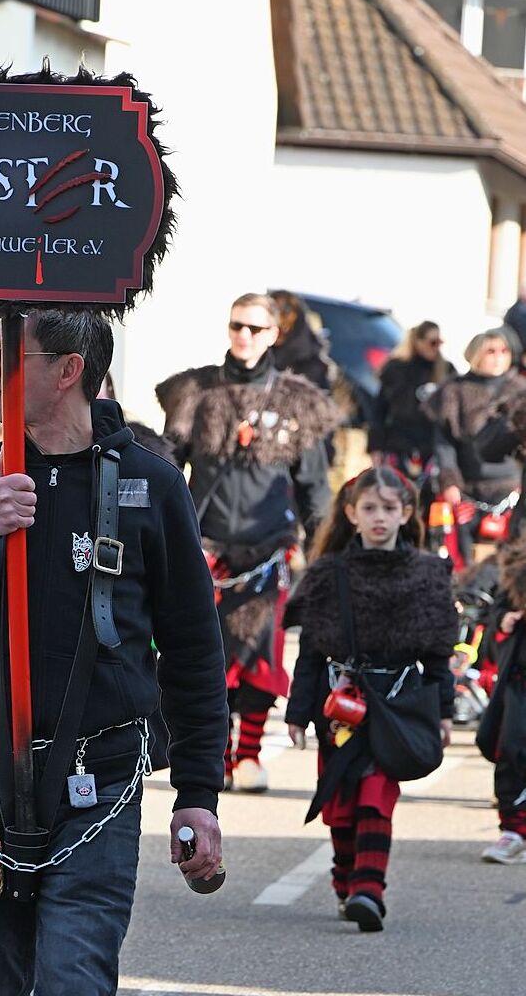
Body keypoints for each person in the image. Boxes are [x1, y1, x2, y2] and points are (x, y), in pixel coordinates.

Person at [0, 309, 228, 996]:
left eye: (3, 352)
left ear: (68, 370)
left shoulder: (153, 486)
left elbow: (192, 646)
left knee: (75, 978)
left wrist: (197, 791)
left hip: (97, 777)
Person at [155, 292, 340, 793]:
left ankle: (250, 753)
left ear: (274, 334)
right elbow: (165, 469)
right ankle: (214, 751)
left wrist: (326, 552)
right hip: (204, 547)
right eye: (238, 325)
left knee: (260, 657)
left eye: (257, 328)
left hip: (267, 549)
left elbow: (315, 487)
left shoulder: (299, 401)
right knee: (204, 656)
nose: (245, 335)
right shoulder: (194, 392)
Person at [285, 467, 457, 931]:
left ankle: (369, 889)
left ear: (406, 513)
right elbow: (311, 652)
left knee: (376, 796)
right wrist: (297, 713)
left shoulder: (427, 574)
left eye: (388, 507)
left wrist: (444, 710)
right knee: (341, 803)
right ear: (350, 513)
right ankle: (346, 881)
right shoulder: (326, 575)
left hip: (398, 705)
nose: (379, 517)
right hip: (340, 706)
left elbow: (439, 656)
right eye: (369, 508)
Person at [421, 327, 526, 565]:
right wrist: (449, 482)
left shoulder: (520, 390)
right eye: (491, 351)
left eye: (504, 350)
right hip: (466, 487)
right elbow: (444, 444)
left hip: (512, 487)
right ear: (476, 353)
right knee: (461, 558)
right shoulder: (453, 390)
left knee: (510, 556)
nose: (498, 356)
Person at [477, 533, 526, 864]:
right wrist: (504, 622)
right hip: (519, 681)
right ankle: (514, 830)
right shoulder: (515, 568)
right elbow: (495, 614)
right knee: (510, 749)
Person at [368, 321, 456, 487]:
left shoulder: (446, 370)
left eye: (439, 342)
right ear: (418, 342)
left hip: (432, 445)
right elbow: (379, 411)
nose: (436, 348)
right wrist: (376, 447)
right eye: (432, 342)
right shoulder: (396, 369)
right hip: (399, 442)